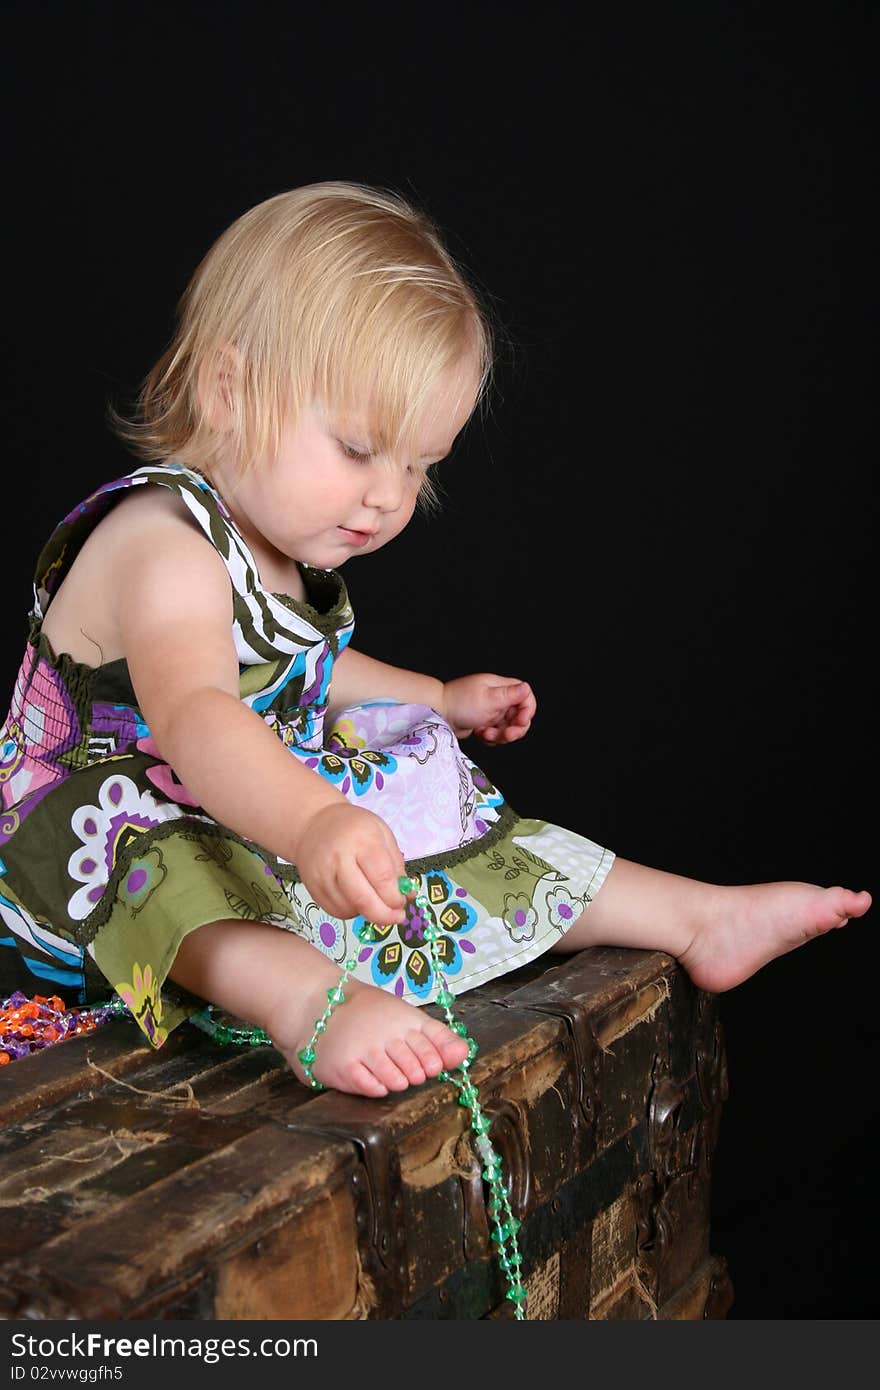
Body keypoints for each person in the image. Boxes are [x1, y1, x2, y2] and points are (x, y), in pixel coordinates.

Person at [0, 181, 870, 1097]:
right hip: (89, 836)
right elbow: (200, 714)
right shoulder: (165, 542)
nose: (389, 496)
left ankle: (694, 917)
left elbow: (310, 672)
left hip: (222, 789)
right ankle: (309, 1005)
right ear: (227, 390)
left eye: (421, 466)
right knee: (174, 854)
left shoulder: (276, 551)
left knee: (420, 788)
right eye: (359, 448)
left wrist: (438, 700)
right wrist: (311, 820)